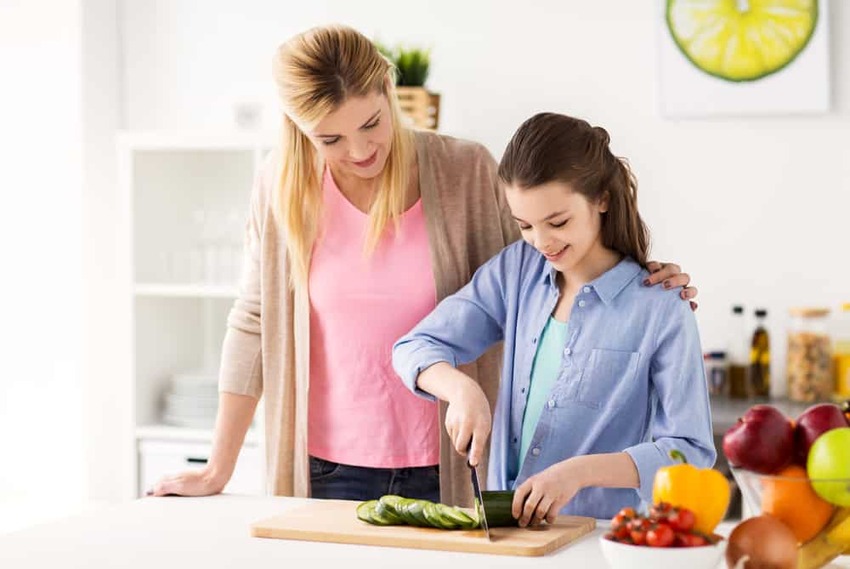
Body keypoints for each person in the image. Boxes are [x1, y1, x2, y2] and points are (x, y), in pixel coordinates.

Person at [151, 25, 698, 506]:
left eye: (371, 123)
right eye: (330, 139)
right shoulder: (281, 187)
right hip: (325, 467)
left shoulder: (465, 170)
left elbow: (550, 259)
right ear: (298, 129)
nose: (361, 150)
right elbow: (254, 323)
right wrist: (218, 468)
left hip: (453, 465)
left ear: (390, 89)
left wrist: (640, 276)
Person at [392, 112, 715, 524]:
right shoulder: (516, 272)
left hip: (600, 542)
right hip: (510, 538)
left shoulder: (661, 307)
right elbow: (414, 347)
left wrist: (578, 473)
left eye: (558, 222)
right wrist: (460, 389)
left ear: (601, 198)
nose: (542, 242)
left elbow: (689, 451)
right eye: (525, 225)